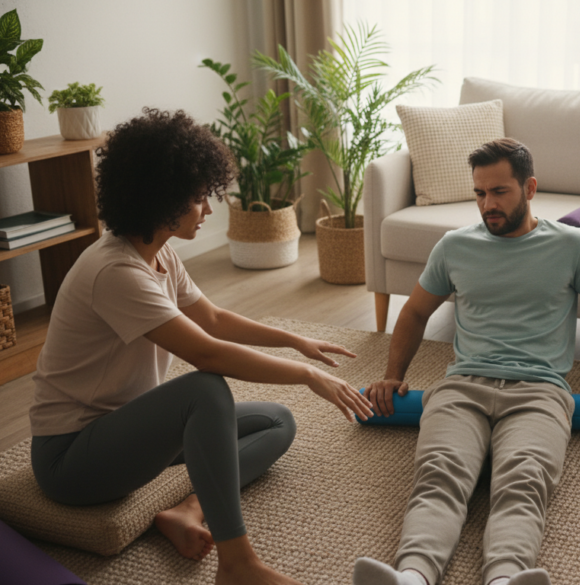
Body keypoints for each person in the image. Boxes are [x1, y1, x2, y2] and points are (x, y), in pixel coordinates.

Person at [29, 108, 374, 585]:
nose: (207, 210)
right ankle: (237, 565)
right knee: (204, 390)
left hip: (126, 427)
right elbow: (207, 353)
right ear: (161, 201)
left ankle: (188, 510)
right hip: (70, 458)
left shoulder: (157, 252)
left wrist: (296, 343)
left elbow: (212, 318)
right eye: (197, 200)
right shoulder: (115, 272)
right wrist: (307, 375)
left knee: (277, 421)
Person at [352, 138, 580, 585]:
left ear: (530, 188)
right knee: (439, 474)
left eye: (499, 192)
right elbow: (416, 312)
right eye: (480, 193)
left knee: (522, 482)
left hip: (540, 391)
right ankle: (412, 577)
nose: (488, 205)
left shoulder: (574, 246)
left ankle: (504, 578)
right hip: (463, 386)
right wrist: (391, 377)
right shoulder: (454, 246)